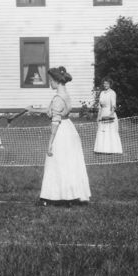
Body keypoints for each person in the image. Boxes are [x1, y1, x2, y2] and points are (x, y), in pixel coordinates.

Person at [38, 66, 91, 206]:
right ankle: (71, 195)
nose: (50, 83)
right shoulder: (65, 94)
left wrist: (50, 142)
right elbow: (54, 111)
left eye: (51, 80)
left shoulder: (57, 98)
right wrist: (31, 109)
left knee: (56, 162)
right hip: (69, 130)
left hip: (61, 131)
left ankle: (53, 197)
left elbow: (55, 120)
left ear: (56, 81)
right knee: (69, 163)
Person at [93, 78, 123, 154]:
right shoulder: (102, 93)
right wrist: (98, 116)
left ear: (110, 84)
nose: (105, 85)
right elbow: (100, 106)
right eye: (104, 83)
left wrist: (111, 114)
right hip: (102, 113)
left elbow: (113, 105)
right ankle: (101, 149)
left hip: (109, 113)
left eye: (107, 83)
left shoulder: (112, 93)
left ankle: (111, 149)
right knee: (102, 130)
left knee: (109, 130)